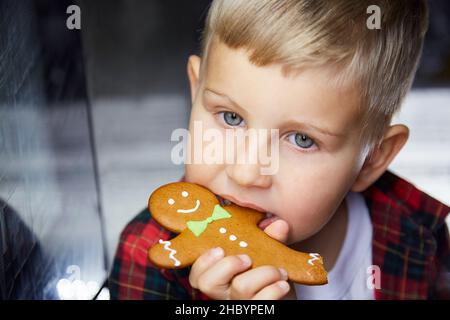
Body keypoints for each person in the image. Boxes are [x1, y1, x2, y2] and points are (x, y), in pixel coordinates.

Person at [109, 0, 450, 299]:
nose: (245, 172)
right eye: (231, 117)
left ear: (371, 160)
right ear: (196, 91)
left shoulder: (421, 235)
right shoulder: (149, 255)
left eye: (302, 140)